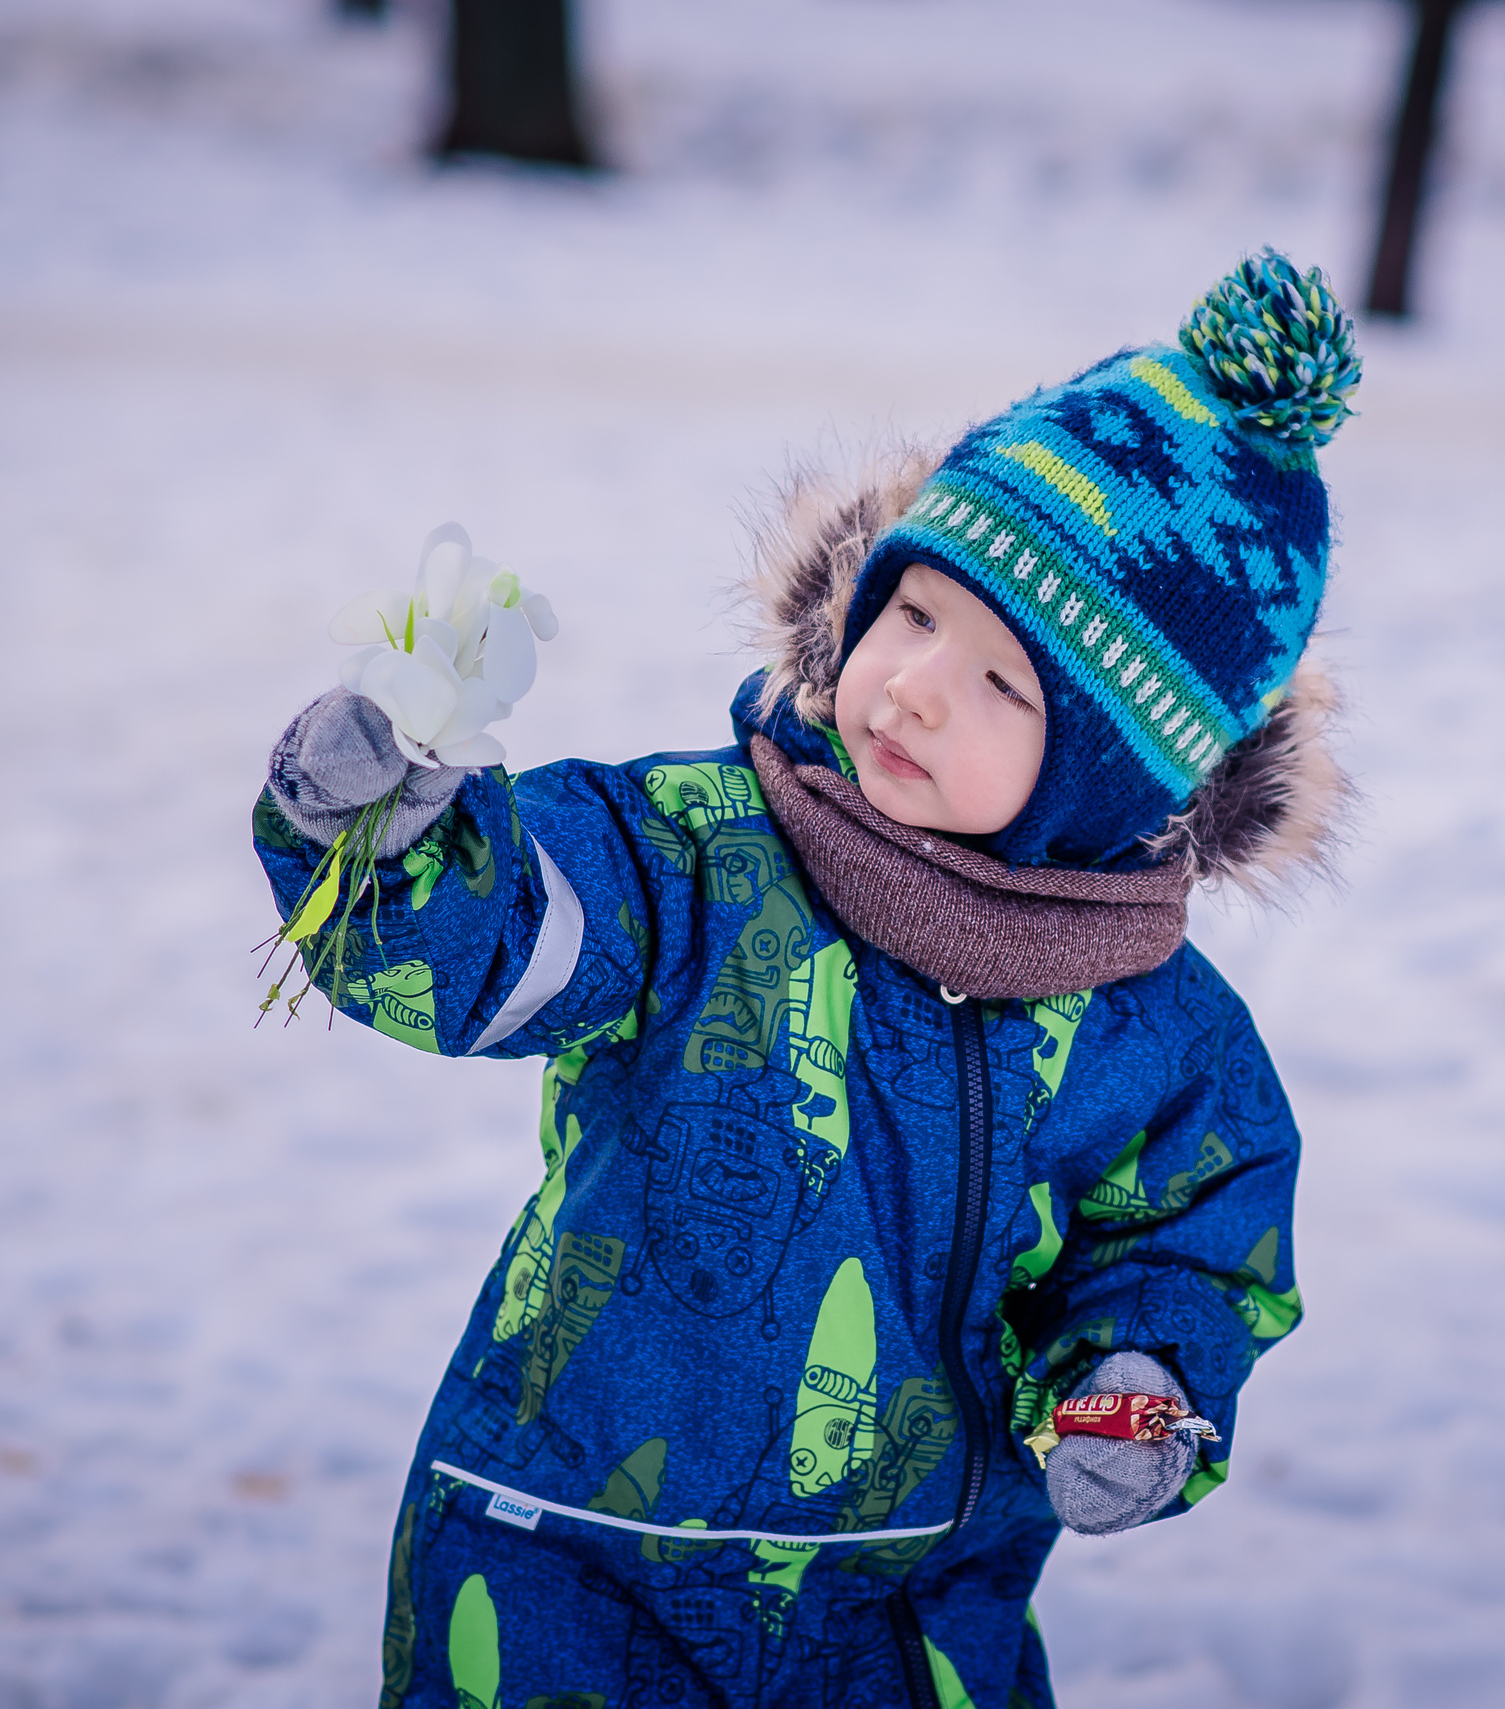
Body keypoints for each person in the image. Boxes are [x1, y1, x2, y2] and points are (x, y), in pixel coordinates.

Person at [255, 250, 1358, 1709]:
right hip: (570, 1563)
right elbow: (507, 940)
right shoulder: (696, 855)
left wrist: (1136, 1384)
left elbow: (1191, 1246)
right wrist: (388, 844)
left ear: (1116, 776)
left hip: (908, 1616)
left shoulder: (1154, 1031)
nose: (913, 687)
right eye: (916, 616)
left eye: (1003, 682)